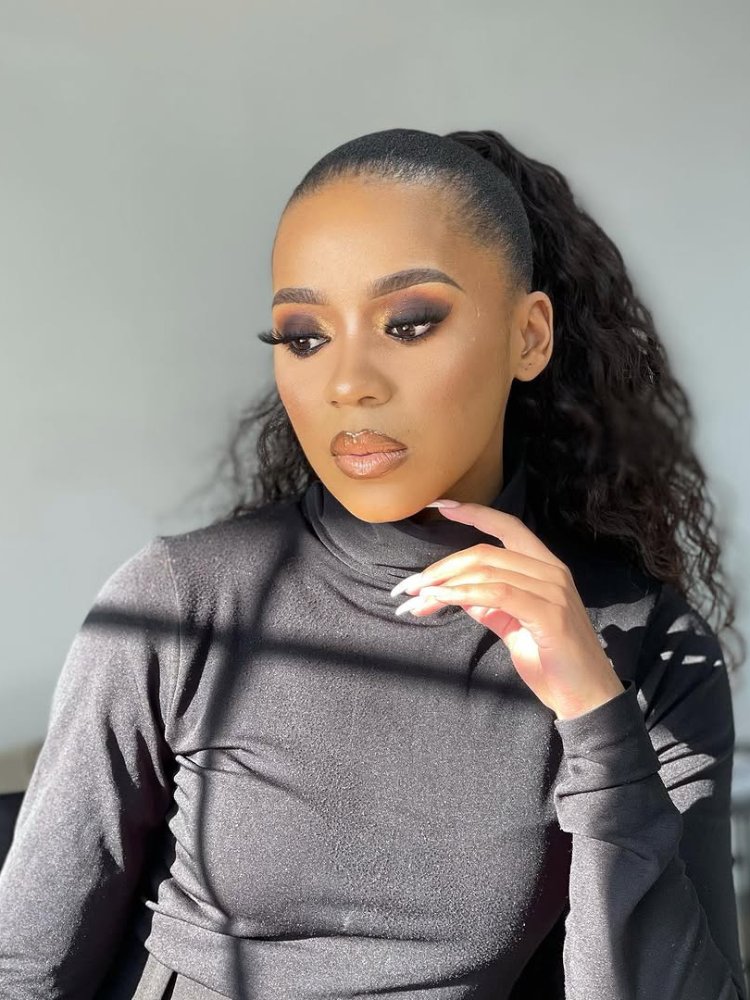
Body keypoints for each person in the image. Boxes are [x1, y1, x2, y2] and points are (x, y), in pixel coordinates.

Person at [0, 127, 746, 1000]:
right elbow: (27, 966)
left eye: (409, 323)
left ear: (529, 336)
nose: (348, 381)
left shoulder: (647, 647)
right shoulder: (179, 602)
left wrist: (595, 719)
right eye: (304, 336)